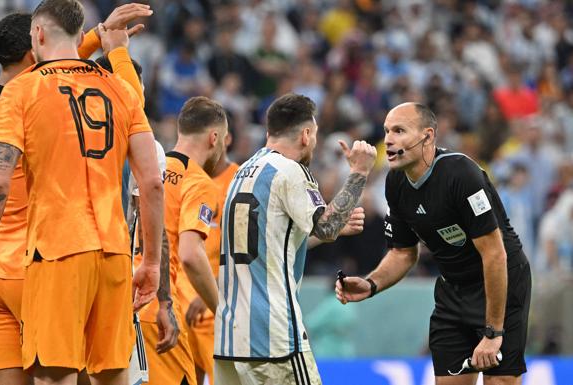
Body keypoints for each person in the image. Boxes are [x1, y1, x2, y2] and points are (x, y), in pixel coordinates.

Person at [0, 1, 164, 384]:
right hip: (108, 252)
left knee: (54, 376)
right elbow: (150, 178)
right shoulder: (118, 89)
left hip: (33, 259)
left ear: (38, 36)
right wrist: (113, 48)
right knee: (110, 375)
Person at [335, 102, 532, 385]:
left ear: (427, 136)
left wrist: (493, 332)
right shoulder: (396, 183)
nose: (388, 139)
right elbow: (403, 252)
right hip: (453, 289)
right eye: (387, 131)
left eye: (399, 131)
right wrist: (371, 283)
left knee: (499, 381)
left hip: (501, 285)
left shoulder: (461, 174)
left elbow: (495, 255)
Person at [214, 93, 377, 384]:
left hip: (229, 336)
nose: (313, 142)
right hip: (273, 336)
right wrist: (359, 172)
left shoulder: (241, 172)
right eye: (313, 135)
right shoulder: (290, 171)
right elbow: (326, 228)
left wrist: (333, 227)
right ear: (305, 134)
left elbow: (272, 242)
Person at [138, 96, 226, 385]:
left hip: (118, 296)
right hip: (158, 306)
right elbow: (189, 254)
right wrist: (222, 310)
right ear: (214, 138)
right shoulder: (198, 182)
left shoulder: (145, 168)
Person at [178, 128, 239, 385]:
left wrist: (211, 287)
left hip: (216, 310)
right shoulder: (185, 179)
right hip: (179, 310)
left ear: (226, 139)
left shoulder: (240, 182)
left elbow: (246, 249)